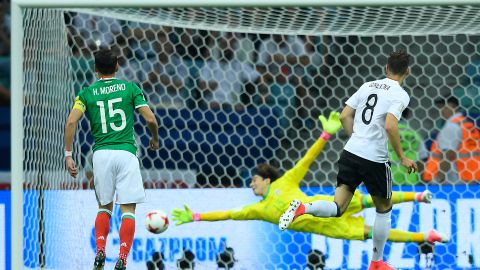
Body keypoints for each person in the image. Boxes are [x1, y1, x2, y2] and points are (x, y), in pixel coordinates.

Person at [171, 113, 447, 246]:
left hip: (329, 206)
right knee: (374, 232)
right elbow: (228, 214)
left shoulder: (286, 182)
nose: (252, 184)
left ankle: (418, 196)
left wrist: (325, 135)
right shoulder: (259, 210)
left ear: (267, 180)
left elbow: (306, 160)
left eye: (255, 179)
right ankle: (426, 236)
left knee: (368, 200)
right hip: (329, 229)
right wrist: (196, 217)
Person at [280, 51, 417, 270]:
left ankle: (304, 209)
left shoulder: (367, 85)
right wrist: (402, 157)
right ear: (407, 71)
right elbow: (390, 125)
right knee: (384, 209)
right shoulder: (400, 94)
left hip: (351, 152)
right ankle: (377, 263)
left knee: (338, 206)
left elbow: (345, 115)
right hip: (375, 159)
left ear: (386, 68)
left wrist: (356, 138)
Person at [64, 48, 159, 270]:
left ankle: (100, 251)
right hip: (126, 152)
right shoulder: (130, 88)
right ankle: (123, 258)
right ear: (117, 66)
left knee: (104, 207)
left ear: (95, 69)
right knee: (128, 210)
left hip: (101, 155)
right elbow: (150, 118)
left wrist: (68, 155)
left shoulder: (86, 93)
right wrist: (154, 138)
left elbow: (71, 122)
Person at [423, 95, 480, 183]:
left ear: (454, 107)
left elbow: (448, 155)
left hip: (456, 181)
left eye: (444, 106)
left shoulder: (451, 126)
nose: (441, 110)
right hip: (472, 177)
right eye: (440, 107)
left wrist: (439, 179)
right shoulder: (468, 125)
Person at [387, 107, 428, 185]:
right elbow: (422, 160)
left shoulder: (384, 133)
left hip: (388, 181)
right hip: (411, 181)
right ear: (408, 115)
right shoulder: (415, 134)